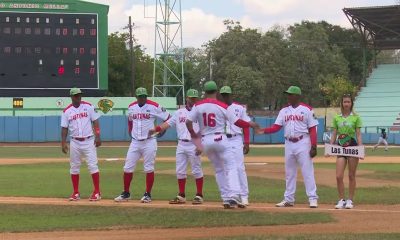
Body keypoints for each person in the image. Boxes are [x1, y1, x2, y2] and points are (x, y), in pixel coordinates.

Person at [186, 81, 259, 209]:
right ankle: (234, 195)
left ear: (205, 92)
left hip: (205, 141)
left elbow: (188, 122)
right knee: (231, 166)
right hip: (220, 138)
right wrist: (250, 124)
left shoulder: (198, 105)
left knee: (219, 169)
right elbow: (237, 122)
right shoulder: (221, 105)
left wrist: (194, 136)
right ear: (216, 92)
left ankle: (225, 197)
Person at [256, 86, 319, 208]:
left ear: (297, 96)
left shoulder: (307, 110)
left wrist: (314, 146)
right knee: (290, 173)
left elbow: (312, 129)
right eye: (288, 94)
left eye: (290, 94)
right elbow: (276, 127)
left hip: (303, 142)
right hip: (289, 143)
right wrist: (263, 131)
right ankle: (289, 199)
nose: (288, 96)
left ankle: (312, 198)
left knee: (307, 172)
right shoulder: (284, 111)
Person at [114, 87, 170, 203]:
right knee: (127, 168)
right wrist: (130, 131)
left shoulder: (154, 106)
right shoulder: (131, 107)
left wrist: (161, 130)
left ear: (146, 96)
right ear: (136, 97)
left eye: (144, 96)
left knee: (149, 168)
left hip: (149, 141)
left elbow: (168, 118)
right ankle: (126, 193)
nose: (142, 98)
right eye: (140, 96)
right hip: (135, 142)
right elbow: (130, 120)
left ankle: (147, 194)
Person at [149, 89, 204, 205]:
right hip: (181, 144)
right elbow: (168, 124)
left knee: (197, 169)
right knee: (180, 170)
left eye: (195, 98)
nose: (193, 100)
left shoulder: (200, 112)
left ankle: (199, 195)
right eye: (191, 98)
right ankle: (181, 195)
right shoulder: (179, 112)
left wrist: (200, 144)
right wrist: (156, 129)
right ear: (187, 98)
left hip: (193, 143)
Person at [60, 88, 102, 201]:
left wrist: (98, 136)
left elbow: (96, 121)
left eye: (80, 95)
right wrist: (63, 143)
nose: (79, 97)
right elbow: (64, 128)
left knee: (93, 166)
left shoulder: (89, 106)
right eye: (76, 95)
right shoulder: (66, 111)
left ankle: (97, 192)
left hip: (89, 140)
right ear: (71, 97)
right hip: (75, 141)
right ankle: (76, 192)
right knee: (74, 167)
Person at [330, 94, 362, 209]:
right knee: (339, 176)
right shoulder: (336, 118)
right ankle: (341, 200)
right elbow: (334, 133)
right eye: (345, 102)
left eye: (348, 102)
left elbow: (358, 134)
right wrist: (330, 147)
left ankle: (350, 200)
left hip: (352, 146)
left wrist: (360, 149)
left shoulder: (356, 117)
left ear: (351, 103)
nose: (346, 104)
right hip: (340, 146)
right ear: (342, 103)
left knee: (351, 175)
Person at [220, 86, 251, 206]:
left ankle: (244, 196)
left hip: (236, 139)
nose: (225, 96)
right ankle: (230, 196)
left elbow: (246, 125)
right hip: (223, 139)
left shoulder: (239, 108)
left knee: (239, 168)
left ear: (231, 95)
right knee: (226, 169)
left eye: (227, 94)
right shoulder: (219, 108)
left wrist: (247, 142)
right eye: (223, 94)